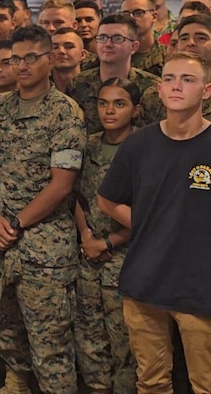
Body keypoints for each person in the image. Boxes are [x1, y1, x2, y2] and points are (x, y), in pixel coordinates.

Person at [98, 53, 211, 394]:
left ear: (207, 90)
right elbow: (107, 200)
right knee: (151, 382)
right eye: (169, 78)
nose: (176, 86)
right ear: (159, 90)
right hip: (144, 284)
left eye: (188, 80)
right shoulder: (138, 144)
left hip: (201, 287)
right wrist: (152, 223)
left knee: (208, 384)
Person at [0, 25, 85, 393]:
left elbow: (62, 184)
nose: (20, 66)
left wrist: (16, 223)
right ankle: (16, 384)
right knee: (4, 329)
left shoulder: (64, 113)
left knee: (50, 344)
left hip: (44, 247)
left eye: (29, 58)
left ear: (49, 59)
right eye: (14, 59)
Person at [73, 79, 140, 394]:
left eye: (119, 103)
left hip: (126, 258)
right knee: (89, 337)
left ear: (136, 109)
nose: (109, 110)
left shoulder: (145, 148)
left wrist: (109, 242)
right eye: (103, 102)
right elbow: (76, 196)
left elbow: (152, 212)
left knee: (124, 341)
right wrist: (86, 234)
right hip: (89, 256)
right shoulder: (89, 145)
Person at [67, 13, 160, 134]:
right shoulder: (78, 84)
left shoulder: (152, 87)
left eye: (117, 39)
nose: (108, 44)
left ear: (134, 46)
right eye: (102, 37)